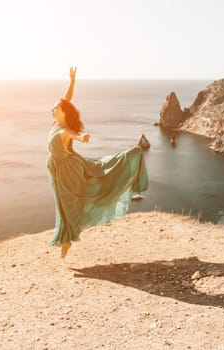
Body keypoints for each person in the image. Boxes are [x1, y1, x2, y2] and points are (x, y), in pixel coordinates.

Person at [47, 67, 149, 258]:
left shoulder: (64, 130)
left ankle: (67, 239)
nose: (51, 109)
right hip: (58, 169)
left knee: (68, 203)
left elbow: (73, 135)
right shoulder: (57, 124)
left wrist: (82, 136)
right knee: (63, 203)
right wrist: (72, 81)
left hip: (67, 170)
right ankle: (66, 237)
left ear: (62, 114)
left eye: (55, 108)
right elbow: (67, 99)